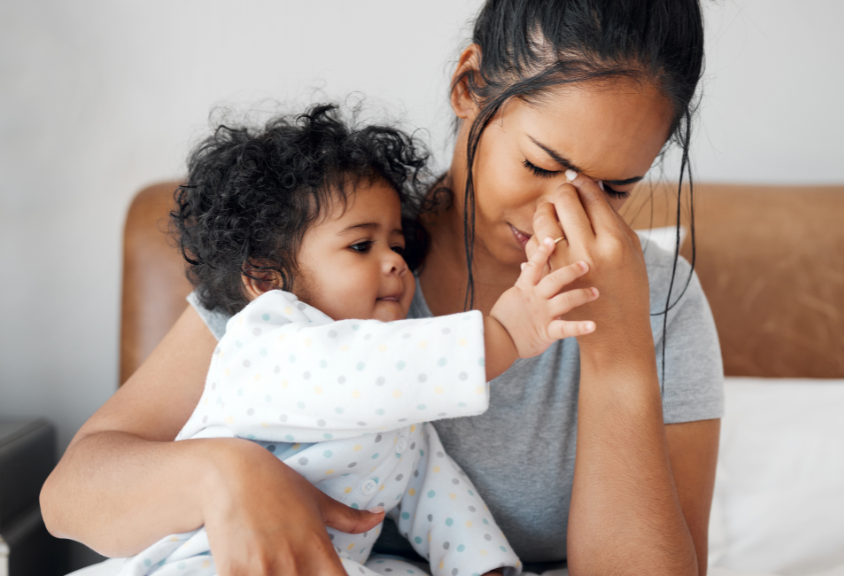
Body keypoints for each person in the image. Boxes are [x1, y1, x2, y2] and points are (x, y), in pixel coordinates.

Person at [41, 1, 723, 575]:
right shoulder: (331, 256)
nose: (563, 215)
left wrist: (621, 344)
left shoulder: (661, 301)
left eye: (615, 189)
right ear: (468, 85)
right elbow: (72, 496)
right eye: (541, 165)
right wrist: (224, 475)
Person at [117, 104, 601, 576]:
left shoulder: (402, 418)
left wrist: (482, 565)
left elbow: (437, 495)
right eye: (360, 246)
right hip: (210, 560)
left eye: (396, 245)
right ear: (266, 278)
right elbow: (364, 368)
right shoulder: (265, 341)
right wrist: (503, 335)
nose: (393, 261)